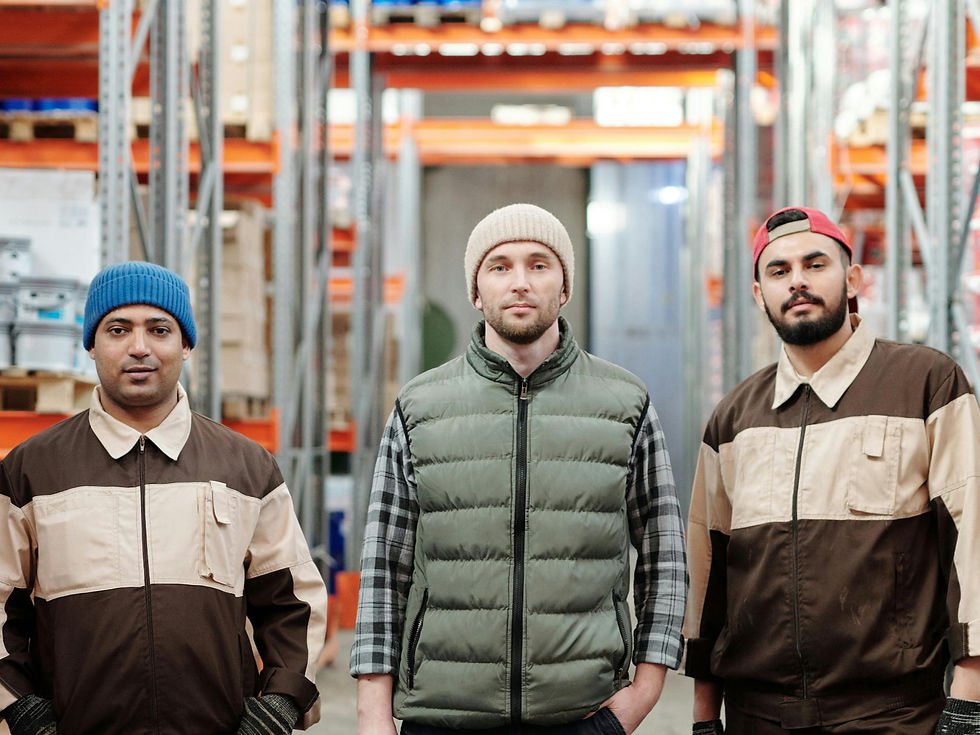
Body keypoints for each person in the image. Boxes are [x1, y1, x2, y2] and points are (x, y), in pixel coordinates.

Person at [350, 203, 688, 735]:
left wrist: (642, 694)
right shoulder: (420, 407)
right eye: (500, 266)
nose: (520, 282)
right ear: (476, 291)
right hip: (443, 717)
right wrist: (373, 713)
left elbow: (664, 553)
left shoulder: (625, 403)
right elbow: (384, 565)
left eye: (539, 264)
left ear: (564, 286)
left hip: (583, 715)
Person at [684, 206, 980, 734]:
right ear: (759, 295)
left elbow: (972, 542)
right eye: (778, 271)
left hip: (892, 717)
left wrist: (968, 699)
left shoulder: (926, 383)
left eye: (815, 264)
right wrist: (705, 716)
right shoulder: (734, 418)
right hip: (758, 718)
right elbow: (709, 578)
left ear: (852, 279)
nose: (797, 281)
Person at [0, 261, 328, 735]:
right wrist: (20, 707)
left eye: (159, 330)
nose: (139, 347)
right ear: (91, 345)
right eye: (118, 330)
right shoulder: (32, 469)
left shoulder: (247, 467)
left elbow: (292, 601)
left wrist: (281, 703)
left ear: (186, 345)